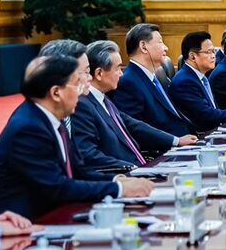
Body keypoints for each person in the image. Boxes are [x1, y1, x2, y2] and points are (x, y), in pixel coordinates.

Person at [0, 56, 153, 219]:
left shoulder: (52, 119)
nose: (81, 92)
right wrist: (119, 189)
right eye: (76, 85)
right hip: (19, 223)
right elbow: (58, 187)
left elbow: (78, 171)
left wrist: (118, 180)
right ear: (56, 92)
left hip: (52, 213)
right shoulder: (29, 127)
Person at [72, 41, 193, 170]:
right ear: (99, 73)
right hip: (124, 174)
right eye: (118, 68)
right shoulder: (83, 105)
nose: (121, 73)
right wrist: (130, 168)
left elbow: (133, 125)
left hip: (141, 166)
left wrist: (176, 141)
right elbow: (89, 155)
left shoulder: (103, 99)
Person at [110, 23, 193, 136]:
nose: (166, 48)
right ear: (144, 47)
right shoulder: (128, 82)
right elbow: (134, 130)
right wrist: (176, 141)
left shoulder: (155, 76)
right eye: (160, 42)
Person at [170, 31, 226, 130]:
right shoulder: (185, 81)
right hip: (200, 134)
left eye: (213, 51)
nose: (214, 56)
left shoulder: (199, 76)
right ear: (193, 56)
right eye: (208, 52)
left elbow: (210, 108)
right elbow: (204, 114)